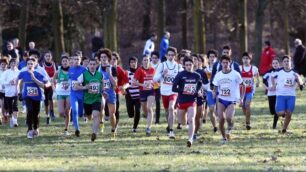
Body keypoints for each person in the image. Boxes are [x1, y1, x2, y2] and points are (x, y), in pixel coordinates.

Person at [212, 55, 245, 144]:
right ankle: (224, 138)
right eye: (223, 62)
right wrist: (214, 93)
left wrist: (242, 98)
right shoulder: (218, 75)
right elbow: (215, 87)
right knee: (221, 119)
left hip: (232, 100)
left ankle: (230, 125)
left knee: (229, 117)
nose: (225, 64)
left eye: (227, 62)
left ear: (230, 63)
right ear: (221, 63)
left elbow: (243, 85)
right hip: (221, 99)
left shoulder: (235, 74)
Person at [153, 47, 183, 138]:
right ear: (166, 55)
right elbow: (155, 79)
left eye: (172, 55)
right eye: (169, 55)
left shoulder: (178, 66)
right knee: (167, 111)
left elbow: (183, 78)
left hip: (174, 92)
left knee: (171, 108)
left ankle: (171, 131)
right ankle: (169, 125)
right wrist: (162, 74)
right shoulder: (162, 65)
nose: (170, 57)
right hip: (164, 91)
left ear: (175, 56)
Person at [172, 57, 202, 147]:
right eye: (187, 65)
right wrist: (183, 90)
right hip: (182, 101)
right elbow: (174, 88)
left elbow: (199, 85)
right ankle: (185, 126)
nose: (189, 66)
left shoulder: (197, 75)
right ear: (184, 66)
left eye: (190, 65)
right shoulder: (180, 75)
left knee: (191, 119)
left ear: (193, 65)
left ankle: (190, 139)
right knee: (182, 121)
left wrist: (198, 91)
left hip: (192, 101)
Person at [18, 57, 51, 139]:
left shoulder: (38, 74)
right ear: (26, 65)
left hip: (37, 96)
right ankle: (29, 130)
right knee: (30, 110)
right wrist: (19, 92)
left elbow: (44, 85)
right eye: (28, 64)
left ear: (35, 64)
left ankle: (36, 127)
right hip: (27, 95)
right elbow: (18, 81)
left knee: (36, 113)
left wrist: (35, 79)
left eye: (31, 64)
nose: (30, 65)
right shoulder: (23, 72)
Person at [271, 55, 304, 133]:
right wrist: (274, 85)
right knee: (280, 113)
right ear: (282, 63)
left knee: (289, 114)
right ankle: (281, 114)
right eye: (285, 61)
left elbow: (299, 79)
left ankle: (284, 129)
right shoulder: (279, 71)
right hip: (280, 95)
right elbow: (272, 77)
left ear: (290, 62)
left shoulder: (294, 72)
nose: (286, 63)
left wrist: (301, 84)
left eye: (288, 61)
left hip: (291, 95)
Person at [75, 58, 104, 142]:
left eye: (94, 64)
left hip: (97, 98)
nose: (92, 66)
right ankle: (88, 116)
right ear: (88, 65)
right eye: (90, 64)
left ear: (96, 65)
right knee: (89, 116)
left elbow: (102, 84)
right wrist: (84, 87)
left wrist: (103, 91)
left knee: (96, 115)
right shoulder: (84, 75)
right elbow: (76, 86)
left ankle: (94, 133)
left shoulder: (100, 75)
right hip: (87, 100)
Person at [134, 55, 156, 136]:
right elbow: (134, 82)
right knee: (144, 109)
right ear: (142, 61)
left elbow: (156, 80)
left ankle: (148, 128)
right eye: (144, 60)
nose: (146, 62)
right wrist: (143, 84)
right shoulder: (139, 70)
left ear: (149, 61)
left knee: (149, 108)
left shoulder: (153, 70)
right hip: (143, 91)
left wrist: (155, 83)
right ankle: (147, 116)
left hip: (151, 91)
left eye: (147, 60)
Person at [98, 48, 118, 137]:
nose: (103, 58)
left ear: (108, 58)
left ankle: (113, 130)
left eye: (105, 57)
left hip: (111, 92)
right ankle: (101, 123)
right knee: (101, 106)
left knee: (112, 113)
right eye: (101, 57)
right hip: (101, 92)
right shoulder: (97, 69)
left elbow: (115, 85)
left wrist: (109, 74)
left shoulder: (113, 69)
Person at [239, 52, 259, 130]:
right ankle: (247, 119)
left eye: (247, 58)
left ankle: (248, 122)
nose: (245, 60)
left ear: (250, 60)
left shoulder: (254, 68)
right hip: (241, 91)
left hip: (250, 90)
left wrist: (257, 81)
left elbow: (257, 73)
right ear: (242, 59)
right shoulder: (240, 68)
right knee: (243, 107)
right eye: (244, 58)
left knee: (247, 105)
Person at [68, 54, 87, 137]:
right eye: (74, 59)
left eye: (77, 59)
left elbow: (87, 82)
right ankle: (77, 129)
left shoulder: (84, 69)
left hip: (82, 94)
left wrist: (81, 87)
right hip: (73, 94)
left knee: (79, 113)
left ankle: (81, 115)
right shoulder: (70, 69)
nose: (76, 61)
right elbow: (69, 80)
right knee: (74, 110)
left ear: (80, 60)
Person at [192, 54, 209, 140]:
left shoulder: (202, 73)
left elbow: (206, 86)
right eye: (192, 59)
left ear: (199, 62)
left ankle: (195, 132)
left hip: (200, 97)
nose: (194, 61)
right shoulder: (185, 71)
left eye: (196, 59)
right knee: (192, 116)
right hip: (189, 97)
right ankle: (192, 132)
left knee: (199, 116)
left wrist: (206, 91)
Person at [53, 55, 71, 135]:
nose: (64, 62)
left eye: (66, 61)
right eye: (63, 61)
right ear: (61, 62)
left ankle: (66, 129)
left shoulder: (72, 71)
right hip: (60, 93)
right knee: (61, 113)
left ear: (69, 62)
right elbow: (52, 80)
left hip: (69, 93)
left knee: (67, 112)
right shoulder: (58, 71)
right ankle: (65, 117)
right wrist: (54, 89)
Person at [124, 56, 141, 132]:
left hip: (138, 96)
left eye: (135, 62)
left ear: (137, 63)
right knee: (131, 114)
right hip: (129, 96)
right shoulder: (126, 73)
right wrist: (125, 90)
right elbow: (124, 83)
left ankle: (134, 127)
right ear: (129, 64)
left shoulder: (140, 72)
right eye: (131, 62)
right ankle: (132, 115)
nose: (133, 64)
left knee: (138, 111)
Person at [110, 52, 127, 128]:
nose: (112, 61)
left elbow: (127, 82)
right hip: (105, 92)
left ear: (117, 60)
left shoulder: (119, 69)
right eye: (111, 59)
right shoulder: (106, 68)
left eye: (114, 59)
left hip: (115, 92)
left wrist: (123, 87)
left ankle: (115, 126)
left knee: (116, 110)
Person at [263, 58, 280, 129]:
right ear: (271, 64)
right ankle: (281, 114)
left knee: (277, 110)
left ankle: (274, 125)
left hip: (279, 93)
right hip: (270, 93)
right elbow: (263, 82)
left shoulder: (281, 71)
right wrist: (268, 88)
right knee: (272, 111)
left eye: (276, 63)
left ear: (279, 64)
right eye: (273, 63)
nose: (275, 65)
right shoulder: (268, 72)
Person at [2, 59, 20, 128]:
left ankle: (15, 121)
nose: (13, 64)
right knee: (10, 108)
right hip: (7, 93)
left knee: (15, 105)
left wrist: (16, 83)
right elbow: (3, 82)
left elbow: (20, 81)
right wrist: (9, 82)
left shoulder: (19, 72)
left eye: (14, 63)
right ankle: (11, 120)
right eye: (12, 63)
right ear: (9, 64)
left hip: (15, 92)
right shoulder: (6, 72)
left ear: (16, 64)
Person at [204, 50, 218, 132]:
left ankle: (221, 123)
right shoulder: (205, 70)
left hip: (219, 91)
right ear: (208, 58)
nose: (212, 58)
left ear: (216, 58)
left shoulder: (219, 68)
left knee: (219, 110)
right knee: (211, 109)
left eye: (213, 57)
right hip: (209, 91)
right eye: (210, 57)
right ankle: (215, 126)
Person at [42, 52, 57, 124]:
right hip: (45, 84)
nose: (48, 57)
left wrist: (53, 80)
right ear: (44, 57)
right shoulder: (42, 65)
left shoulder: (54, 64)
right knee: (46, 100)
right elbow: (42, 74)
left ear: (51, 57)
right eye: (46, 56)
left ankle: (52, 113)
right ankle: (47, 115)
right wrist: (47, 80)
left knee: (50, 98)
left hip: (52, 83)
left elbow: (56, 73)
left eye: (49, 56)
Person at [150, 51, 161, 124]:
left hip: (158, 86)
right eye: (153, 58)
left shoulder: (161, 65)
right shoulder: (148, 65)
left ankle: (157, 119)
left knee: (157, 102)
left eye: (156, 58)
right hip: (149, 86)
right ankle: (149, 116)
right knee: (150, 103)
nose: (154, 59)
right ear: (151, 58)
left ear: (158, 58)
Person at [0, 58, 8, 124]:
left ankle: (5, 115)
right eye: (2, 64)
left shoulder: (8, 72)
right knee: (1, 105)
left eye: (5, 65)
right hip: (0, 91)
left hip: (7, 91)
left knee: (5, 106)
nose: (3, 66)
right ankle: (0, 117)